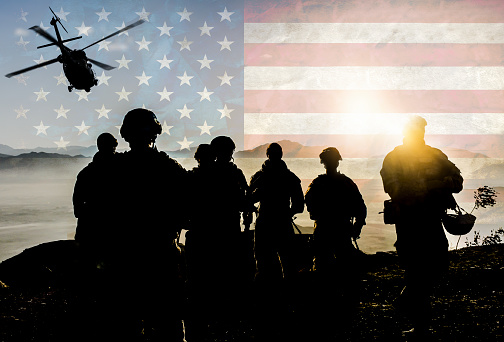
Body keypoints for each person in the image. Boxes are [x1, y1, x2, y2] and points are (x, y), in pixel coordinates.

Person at [380, 115, 463, 339]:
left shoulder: (436, 156)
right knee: (416, 270)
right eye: (416, 129)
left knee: (436, 267)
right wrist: (433, 185)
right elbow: (394, 189)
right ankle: (421, 326)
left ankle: (407, 301)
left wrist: (445, 183)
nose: (420, 133)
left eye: (422, 129)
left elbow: (458, 181)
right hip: (409, 223)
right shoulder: (395, 158)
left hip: (432, 221)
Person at [110, 108, 187, 341]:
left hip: (125, 253)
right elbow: (188, 207)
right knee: (168, 320)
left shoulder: (114, 168)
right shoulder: (169, 168)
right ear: (155, 133)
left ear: (126, 135)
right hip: (160, 250)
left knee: (127, 320)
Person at [304, 147, 367, 338]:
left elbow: (310, 204)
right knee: (340, 263)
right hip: (339, 228)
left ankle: (328, 300)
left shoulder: (318, 183)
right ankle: (342, 299)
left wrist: (357, 224)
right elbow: (360, 207)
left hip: (326, 228)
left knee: (324, 263)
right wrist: (357, 225)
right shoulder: (346, 183)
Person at [249, 142, 304, 282]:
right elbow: (248, 200)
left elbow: (299, 204)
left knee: (280, 261)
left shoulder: (260, 177)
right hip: (273, 222)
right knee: (270, 260)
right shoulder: (287, 177)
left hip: (273, 222)